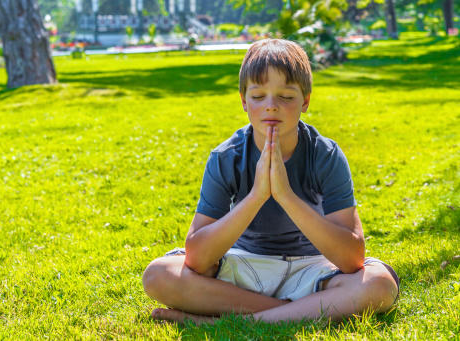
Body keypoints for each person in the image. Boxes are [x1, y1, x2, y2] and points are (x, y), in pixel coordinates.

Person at [142, 38, 399, 325]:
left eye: (286, 97)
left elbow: (352, 260)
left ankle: (231, 321)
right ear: (243, 101)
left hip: (312, 269)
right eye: (258, 96)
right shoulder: (226, 157)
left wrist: (286, 195)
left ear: (305, 101)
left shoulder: (325, 154)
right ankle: (300, 311)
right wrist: (256, 196)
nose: (271, 106)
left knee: (379, 285)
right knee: (159, 275)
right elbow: (198, 259)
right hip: (244, 268)